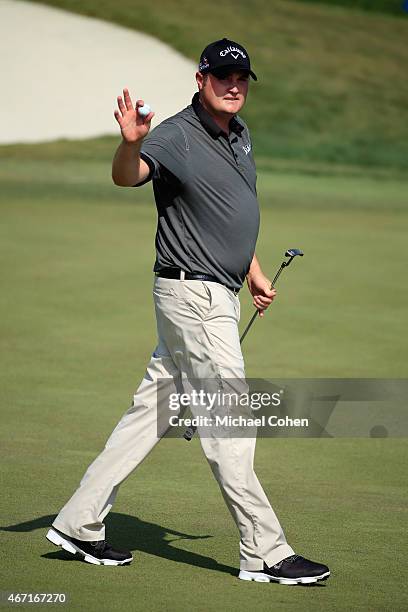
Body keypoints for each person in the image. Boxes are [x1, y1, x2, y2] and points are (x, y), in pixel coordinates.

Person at [46, 38, 330, 585]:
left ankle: (79, 522)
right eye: (223, 75)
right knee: (229, 424)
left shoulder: (240, 136)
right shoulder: (176, 135)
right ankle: (265, 551)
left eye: (242, 77)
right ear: (200, 79)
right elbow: (127, 176)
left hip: (214, 291)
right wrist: (131, 144)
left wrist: (253, 271)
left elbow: (227, 213)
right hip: (193, 297)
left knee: (147, 417)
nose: (234, 85)